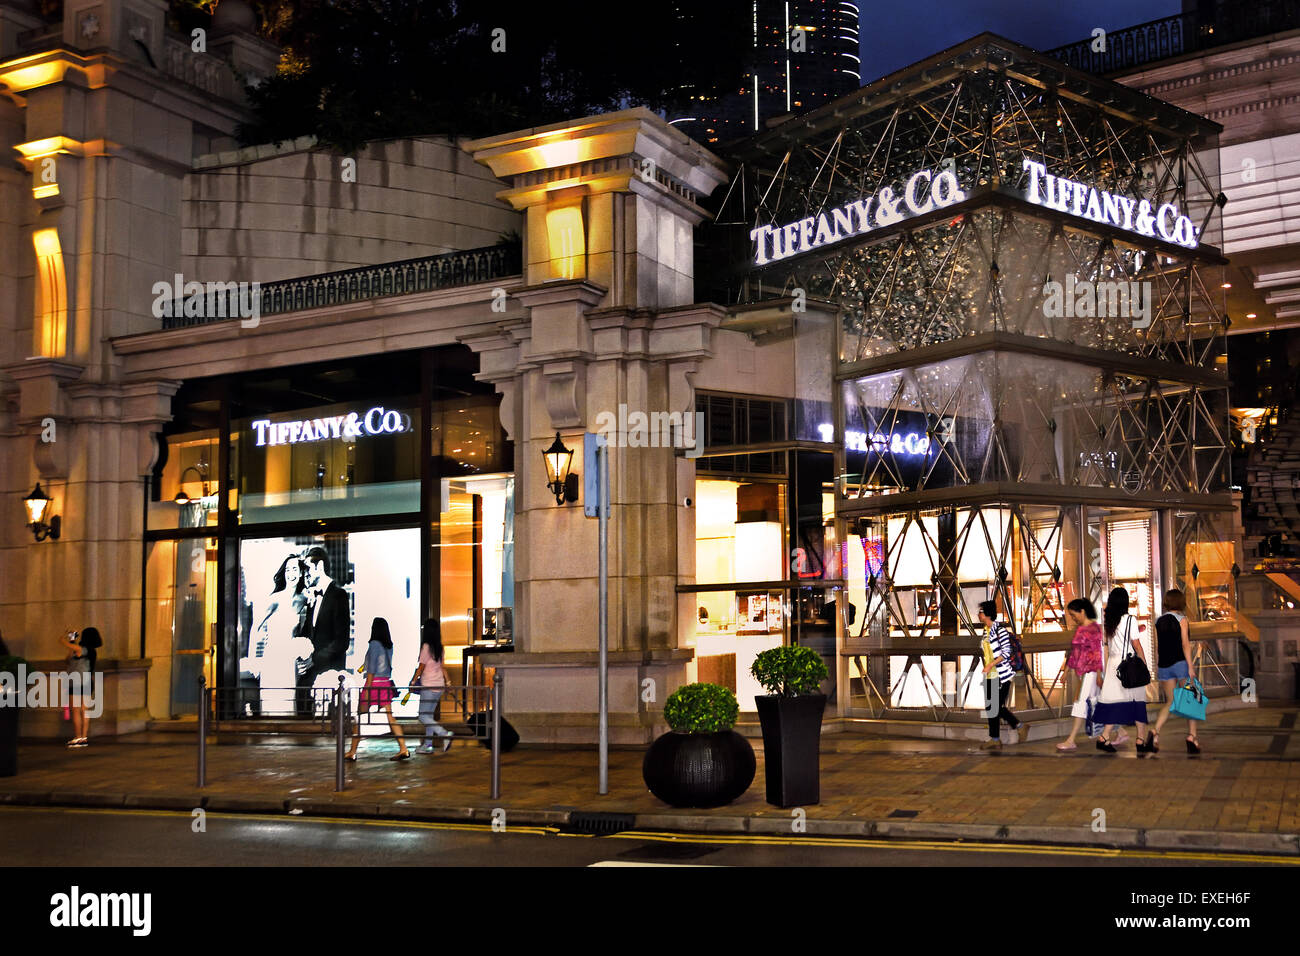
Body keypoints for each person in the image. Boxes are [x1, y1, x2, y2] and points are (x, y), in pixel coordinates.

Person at [1093, 587, 1151, 753]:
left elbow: (1105, 645)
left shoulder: (1108, 621)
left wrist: (1102, 670)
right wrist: (1144, 666)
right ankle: (1140, 740)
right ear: (1125, 602)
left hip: (1113, 665)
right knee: (1138, 702)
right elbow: (1137, 645)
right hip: (1129, 665)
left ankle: (1103, 737)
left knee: (1114, 703)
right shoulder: (1130, 619)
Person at [347, 618, 410, 761]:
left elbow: (372, 668)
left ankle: (352, 751)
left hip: (373, 684)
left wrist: (367, 687)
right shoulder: (389, 646)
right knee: (391, 718)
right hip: (385, 684)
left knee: (361, 718)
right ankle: (403, 748)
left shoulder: (374, 644)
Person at [297, 546, 350, 717]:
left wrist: (314, 659)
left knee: (329, 730)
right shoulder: (312, 598)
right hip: (310, 673)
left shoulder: (339, 595)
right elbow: (306, 634)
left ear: (319, 566)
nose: (305, 575)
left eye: (307, 569)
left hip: (330, 674)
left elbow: (342, 641)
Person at [252, 555, 309, 714]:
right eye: (288, 569)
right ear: (284, 573)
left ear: (300, 573)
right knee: (272, 703)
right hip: (272, 658)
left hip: (289, 660)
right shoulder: (275, 599)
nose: (291, 573)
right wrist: (254, 662)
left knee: (288, 703)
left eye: (295, 569)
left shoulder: (304, 599)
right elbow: (255, 628)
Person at [1150, 589, 1201, 754]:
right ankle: (1192, 737)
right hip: (1180, 664)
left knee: (1170, 702)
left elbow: (1158, 647)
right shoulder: (1182, 619)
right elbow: (1185, 644)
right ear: (1180, 602)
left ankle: (1155, 732)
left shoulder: (1158, 621)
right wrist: (1191, 667)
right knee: (1190, 700)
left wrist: (1159, 665)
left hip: (1164, 666)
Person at [1057, 598, 1103, 751]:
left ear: (1082, 611)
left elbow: (1097, 654)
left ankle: (1071, 739)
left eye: (1073, 614)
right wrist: (1067, 671)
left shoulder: (1092, 629)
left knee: (1081, 703)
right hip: (1086, 673)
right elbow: (1075, 653)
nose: (1073, 617)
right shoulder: (1083, 629)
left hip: (1090, 673)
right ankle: (1119, 731)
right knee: (1096, 703)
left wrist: (1097, 674)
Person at [978, 600, 1025, 750]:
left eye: (980, 612)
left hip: (1002, 674)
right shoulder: (986, 630)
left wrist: (991, 664)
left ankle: (1020, 726)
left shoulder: (1000, 630)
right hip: (990, 674)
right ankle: (995, 739)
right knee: (991, 707)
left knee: (996, 706)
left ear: (986, 614)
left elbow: (1006, 652)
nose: (978, 614)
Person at [409, 618, 454, 754]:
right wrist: (448, 683)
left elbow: (421, 667)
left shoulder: (426, 647)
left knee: (423, 716)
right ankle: (427, 746)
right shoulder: (440, 647)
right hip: (439, 686)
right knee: (429, 716)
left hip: (428, 686)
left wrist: (412, 682)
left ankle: (444, 734)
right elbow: (443, 668)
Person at [62, 626, 102, 748]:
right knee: (84, 710)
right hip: (87, 682)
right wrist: (72, 640)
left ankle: (79, 737)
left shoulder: (83, 649)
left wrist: (66, 636)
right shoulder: (91, 651)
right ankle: (83, 737)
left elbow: (63, 644)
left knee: (76, 711)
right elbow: (68, 658)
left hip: (76, 683)